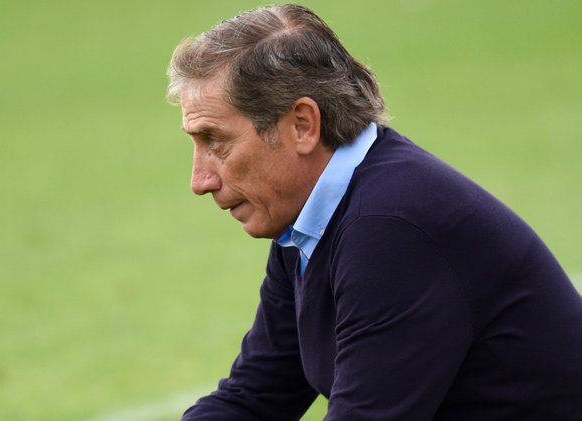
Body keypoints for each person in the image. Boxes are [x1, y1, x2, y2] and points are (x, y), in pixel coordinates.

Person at [166, 4, 582, 420]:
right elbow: (254, 397)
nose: (200, 180)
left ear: (303, 125)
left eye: (215, 141)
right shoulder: (308, 219)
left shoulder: (390, 228)